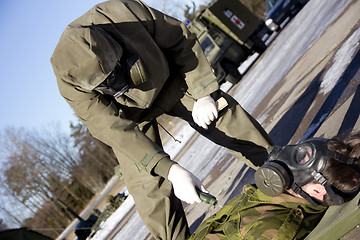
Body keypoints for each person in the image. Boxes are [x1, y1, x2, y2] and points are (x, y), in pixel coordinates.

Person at [50, 0, 273, 239]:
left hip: (172, 81)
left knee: (221, 116)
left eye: (114, 71)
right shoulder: (69, 83)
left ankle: (278, 168)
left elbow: (179, 38)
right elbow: (113, 129)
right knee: (148, 186)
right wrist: (172, 171)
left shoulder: (122, 12)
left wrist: (203, 93)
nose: (115, 82)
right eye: (106, 82)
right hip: (131, 119)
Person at [190, 132, 360, 240]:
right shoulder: (279, 197)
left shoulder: (273, 230)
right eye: (299, 150)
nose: (286, 155)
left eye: (300, 159)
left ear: (317, 189)